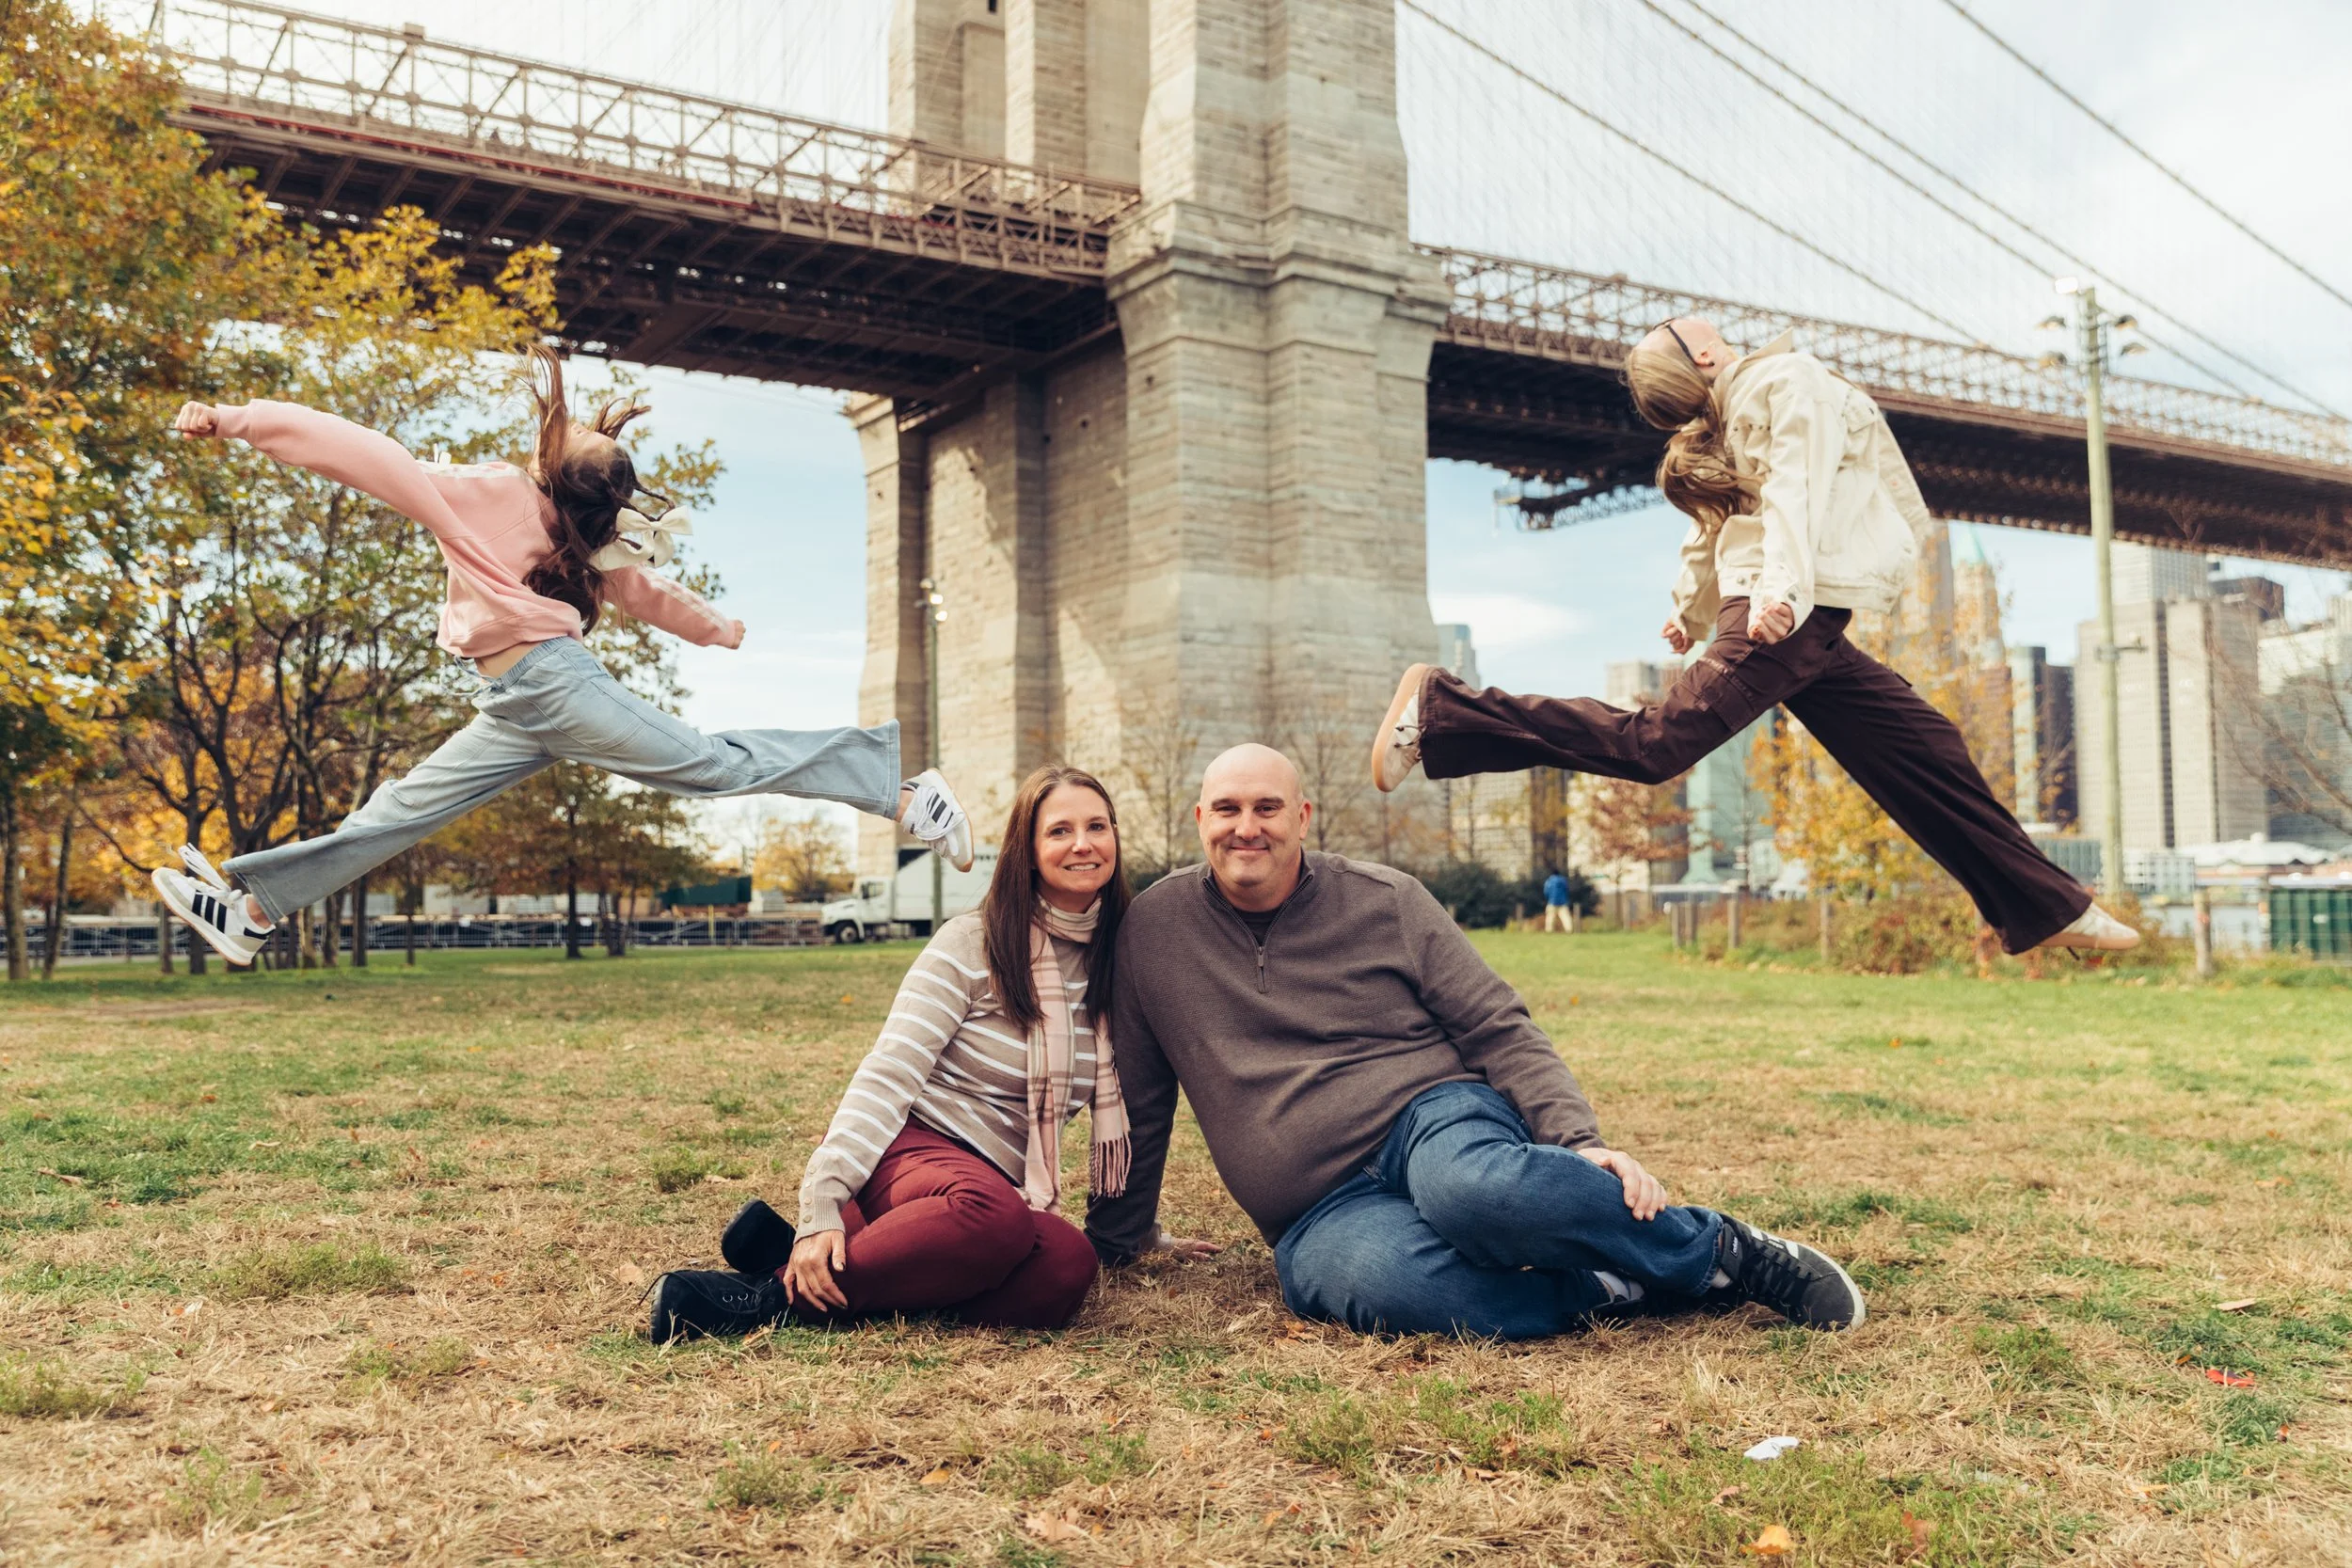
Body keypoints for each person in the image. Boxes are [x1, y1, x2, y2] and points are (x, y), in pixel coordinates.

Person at [148, 348, 972, 966]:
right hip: (519, 706)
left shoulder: (503, 491)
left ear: (553, 463)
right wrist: (716, 629)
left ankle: (899, 792)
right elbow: (648, 591)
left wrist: (239, 419)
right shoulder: (581, 538)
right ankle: (253, 909)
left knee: (710, 765)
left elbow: (369, 454)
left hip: (552, 686)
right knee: (401, 811)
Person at [1368, 319, 2137, 958]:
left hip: (1805, 616)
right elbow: (1798, 491)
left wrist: (1692, 610)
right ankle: (1442, 712)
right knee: (1653, 745)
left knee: (1924, 745)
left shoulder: (1735, 412)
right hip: (1791, 610)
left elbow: (1723, 527)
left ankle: (2046, 908)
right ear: (1702, 351)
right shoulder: (1784, 378)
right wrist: (1780, 593)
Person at [1085, 743, 1866, 1339]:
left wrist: (1577, 1138)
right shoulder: (1154, 930)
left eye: (1266, 807)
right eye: (1226, 809)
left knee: (1481, 1195)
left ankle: (1720, 1250)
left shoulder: (1387, 900)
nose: (1245, 827)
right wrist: (1119, 1236)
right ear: (1199, 820)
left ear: (1302, 816)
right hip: (1314, 1207)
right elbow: (1139, 1096)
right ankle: (1613, 1285)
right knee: (1396, 1287)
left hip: (1427, 1117)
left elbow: (1498, 1022)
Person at [647, 765, 1218, 1341]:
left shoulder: (1117, 962)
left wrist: (1140, 1230)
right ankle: (765, 1296)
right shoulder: (973, 942)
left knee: (1068, 1265)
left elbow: (1136, 1103)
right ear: (1027, 848)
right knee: (993, 1219)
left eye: (1097, 826)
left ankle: (867, 1256)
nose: (1082, 844)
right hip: (906, 1150)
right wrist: (822, 1200)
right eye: (1059, 830)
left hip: (988, 1183)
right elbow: (889, 1073)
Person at [1541, 867, 1573, 933]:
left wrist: (1548, 899)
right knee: (1565, 917)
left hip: (1551, 902)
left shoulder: (1549, 881)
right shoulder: (1563, 880)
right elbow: (1567, 890)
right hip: (1563, 902)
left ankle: (1549, 931)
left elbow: (1546, 892)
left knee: (1550, 918)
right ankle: (1569, 930)